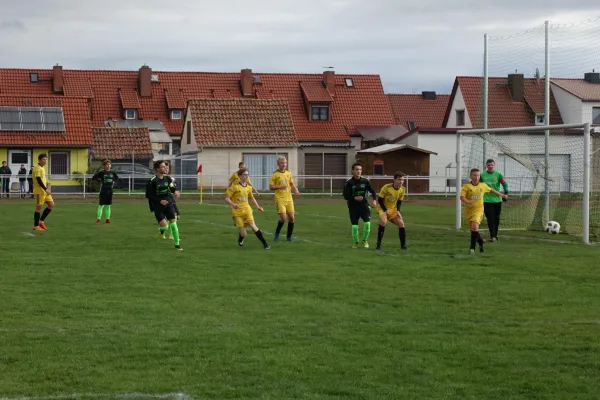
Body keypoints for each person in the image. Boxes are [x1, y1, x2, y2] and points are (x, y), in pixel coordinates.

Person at [460, 168, 508, 254]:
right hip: (469, 211)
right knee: (473, 231)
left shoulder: (483, 185)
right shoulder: (466, 186)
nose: (477, 177)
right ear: (471, 176)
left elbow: (492, 190)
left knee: (475, 227)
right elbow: (462, 197)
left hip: (479, 210)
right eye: (475, 175)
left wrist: (502, 195)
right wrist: (468, 201)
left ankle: (472, 249)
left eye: (478, 175)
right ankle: (481, 242)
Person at [225, 168, 270, 249]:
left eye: (247, 175)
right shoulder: (234, 187)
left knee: (253, 226)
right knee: (244, 234)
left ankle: (265, 244)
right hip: (237, 212)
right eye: (245, 175)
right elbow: (227, 199)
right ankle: (241, 238)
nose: (246, 176)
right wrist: (233, 204)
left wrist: (258, 207)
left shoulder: (249, 188)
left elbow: (252, 198)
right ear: (240, 176)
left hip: (247, 210)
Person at [145, 160, 182, 250]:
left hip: (168, 203)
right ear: (157, 169)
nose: (165, 168)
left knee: (173, 223)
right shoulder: (152, 181)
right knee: (165, 226)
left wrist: (175, 191)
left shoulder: (167, 178)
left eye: (166, 166)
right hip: (157, 206)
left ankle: (177, 245)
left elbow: (172, 186)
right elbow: (148, 195)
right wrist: (159, 200)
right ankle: (162, 231)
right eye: (162, 167)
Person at [343, 162, 377, 248]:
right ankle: (356, 242)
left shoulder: (365, 181)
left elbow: (373, 191)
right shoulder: (349, 183)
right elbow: (346, 196)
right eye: (357, 169)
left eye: (360, 169)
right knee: (354, 227)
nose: (359, 171)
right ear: (353, 171)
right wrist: (354, 198)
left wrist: (374, 200)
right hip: (353, 207)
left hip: (364, 206)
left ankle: (365, 241)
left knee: (367, 224)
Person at [269, 156, 300, 241]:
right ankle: (276, 233)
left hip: (289, 198)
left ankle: (289, 236)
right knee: (283, 218)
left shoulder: (288, 173)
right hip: (280, 199)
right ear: (278, 164)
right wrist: (280, 186)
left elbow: (291, 183)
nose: (284, 164)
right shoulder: (275, 174)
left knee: (292, 218)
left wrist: (296, 190)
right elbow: (271, 187)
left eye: (285, 163)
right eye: (282, 163)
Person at [375, 171, 407, 250]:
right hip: (382, 208)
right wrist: (385, 210)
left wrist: (398, 211)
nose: (401, 182)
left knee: (401, 224)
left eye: (402, 180)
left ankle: (403, 246)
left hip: (393, 209)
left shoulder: (402, 189)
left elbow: (399, 201)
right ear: (394, 180)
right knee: (383, 221)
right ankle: (378, 244)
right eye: (399, 179)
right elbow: (380, 200)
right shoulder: (386, 187)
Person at [481, 159, 508, 241]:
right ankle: (492, 235)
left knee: (496, 218)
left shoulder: (498, 174)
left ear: (494, 165)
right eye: (488, 165)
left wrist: (506, 193)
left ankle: (495, 235)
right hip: (486, 200)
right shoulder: (482, 175)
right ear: (486, 166)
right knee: (490, 218)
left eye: (492, 165)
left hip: (497, 200)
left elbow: (504, 184)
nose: (490, 166)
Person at [92, 159, 119, 224]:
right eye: (107, 164)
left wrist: (115, 183)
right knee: (101, 205)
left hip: (110, 190)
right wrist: (99, 181)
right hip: (103, 190)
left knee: (108, 205)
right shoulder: (102, 172)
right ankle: (98, 219)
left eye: (109, 164)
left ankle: (107, 219)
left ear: (111, 165)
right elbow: (94, 177)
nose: (108, 165)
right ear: (104, 166)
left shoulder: (113, 173)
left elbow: (117, 179)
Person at [32, 154, 54, 231]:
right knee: (38, 207)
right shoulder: (37, 168)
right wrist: (46, 189)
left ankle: (41, 221)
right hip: (39, 192)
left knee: (51, 204)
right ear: (39, 160)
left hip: (44, 191)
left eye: (46, 159)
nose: (45, 161)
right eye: (44, 159)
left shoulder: (42, 167)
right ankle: (36, 226)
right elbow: (38, 180)